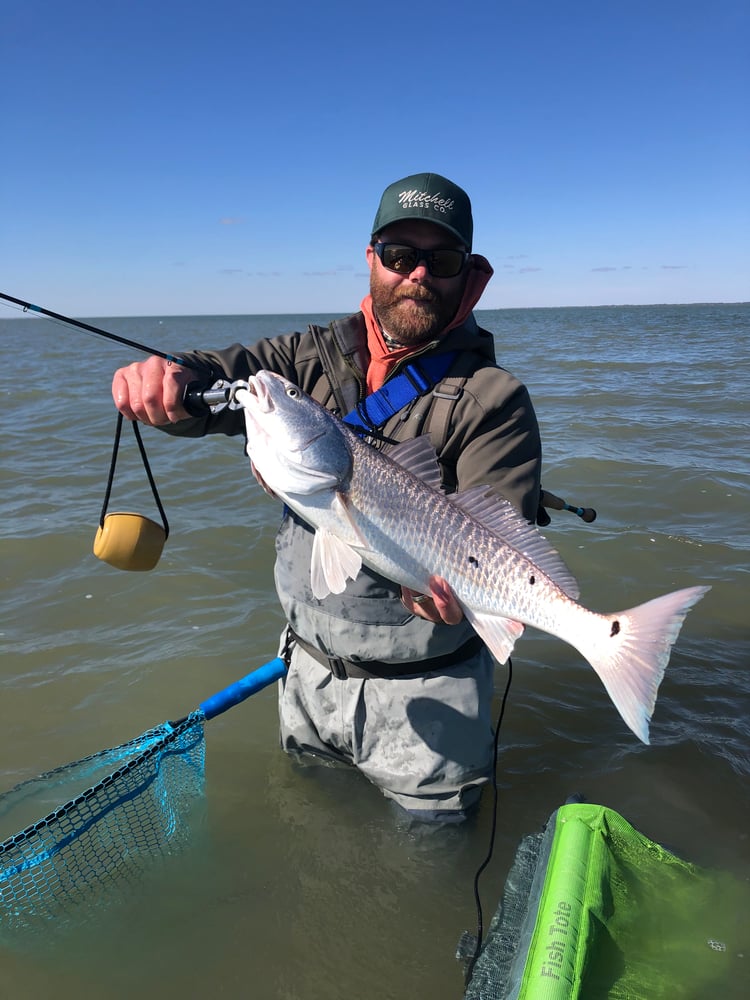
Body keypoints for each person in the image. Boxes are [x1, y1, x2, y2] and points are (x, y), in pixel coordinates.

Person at [112, 172, 543, 823]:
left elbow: (503, 532)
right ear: (371, 259)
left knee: (427, 865)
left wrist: (453, 603)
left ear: (468, 276)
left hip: (427, 697)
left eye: (441, 260)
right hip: (305, 675)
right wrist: (167, 380)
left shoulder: (491, 396)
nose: (417, 274)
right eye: (399, 256)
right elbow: (220, 379)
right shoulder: (304, 359)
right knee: (310, 830)